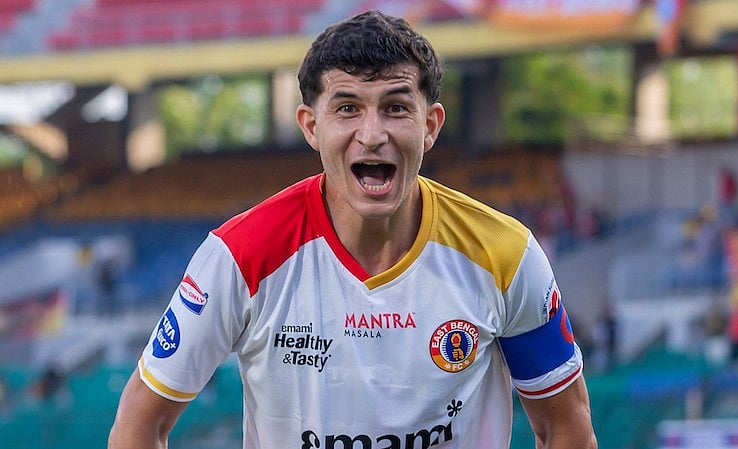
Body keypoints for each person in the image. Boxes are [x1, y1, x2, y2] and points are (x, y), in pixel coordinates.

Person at [108, 10, 596, 449]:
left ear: (430, 125)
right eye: (347, 108)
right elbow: (137, 427)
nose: (372, 134)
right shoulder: (240, 255)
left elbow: (566, 429)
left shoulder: (504, 253)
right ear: (310, 126)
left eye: (396, 107)